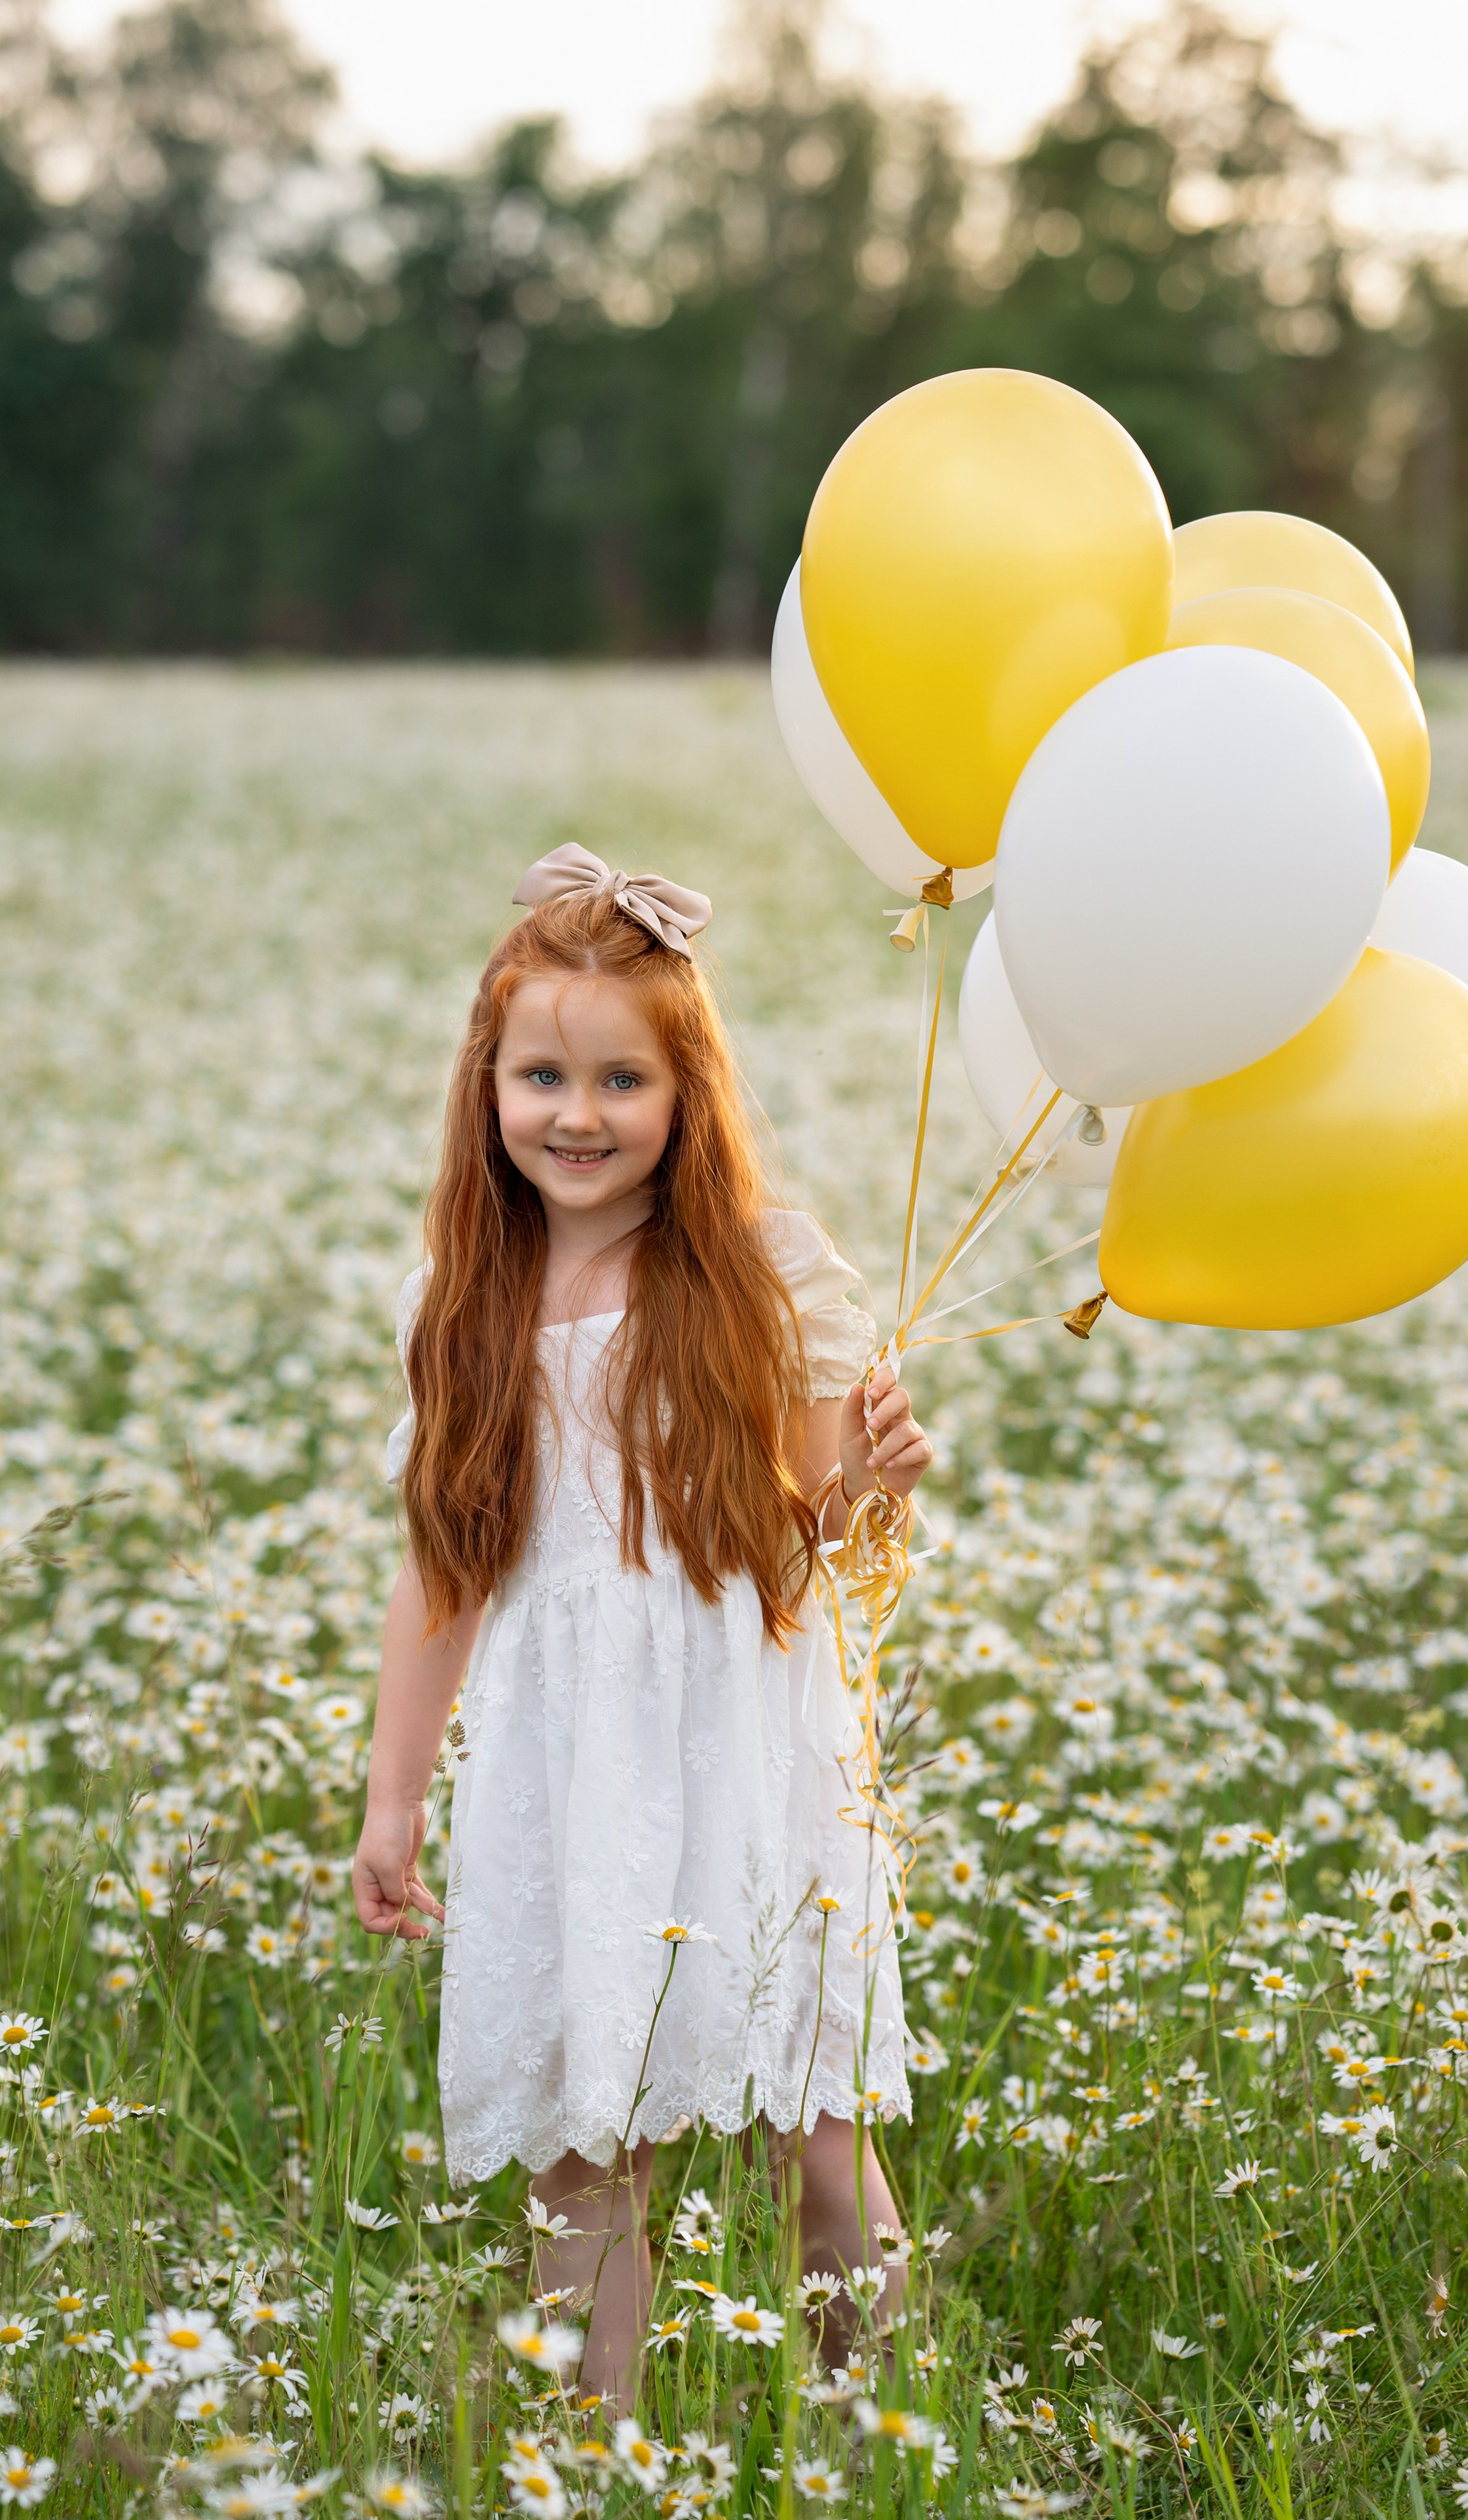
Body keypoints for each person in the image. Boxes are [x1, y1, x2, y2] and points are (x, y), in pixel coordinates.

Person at [350, 843, 932, 2412]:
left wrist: (867, 1482)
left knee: (813, 2128)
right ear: (489, 1086)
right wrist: (392, 1792)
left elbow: (806, 1547)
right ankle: (585, 2453)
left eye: (622, 1079)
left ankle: (877, 2429)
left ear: (687, 1097)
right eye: (542, 1073)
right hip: (563, 1750)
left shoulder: (760, 1273)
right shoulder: (464, 1295)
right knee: (579, 2135)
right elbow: (443, 1567)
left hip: (743, 1731)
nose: (579, 1114)